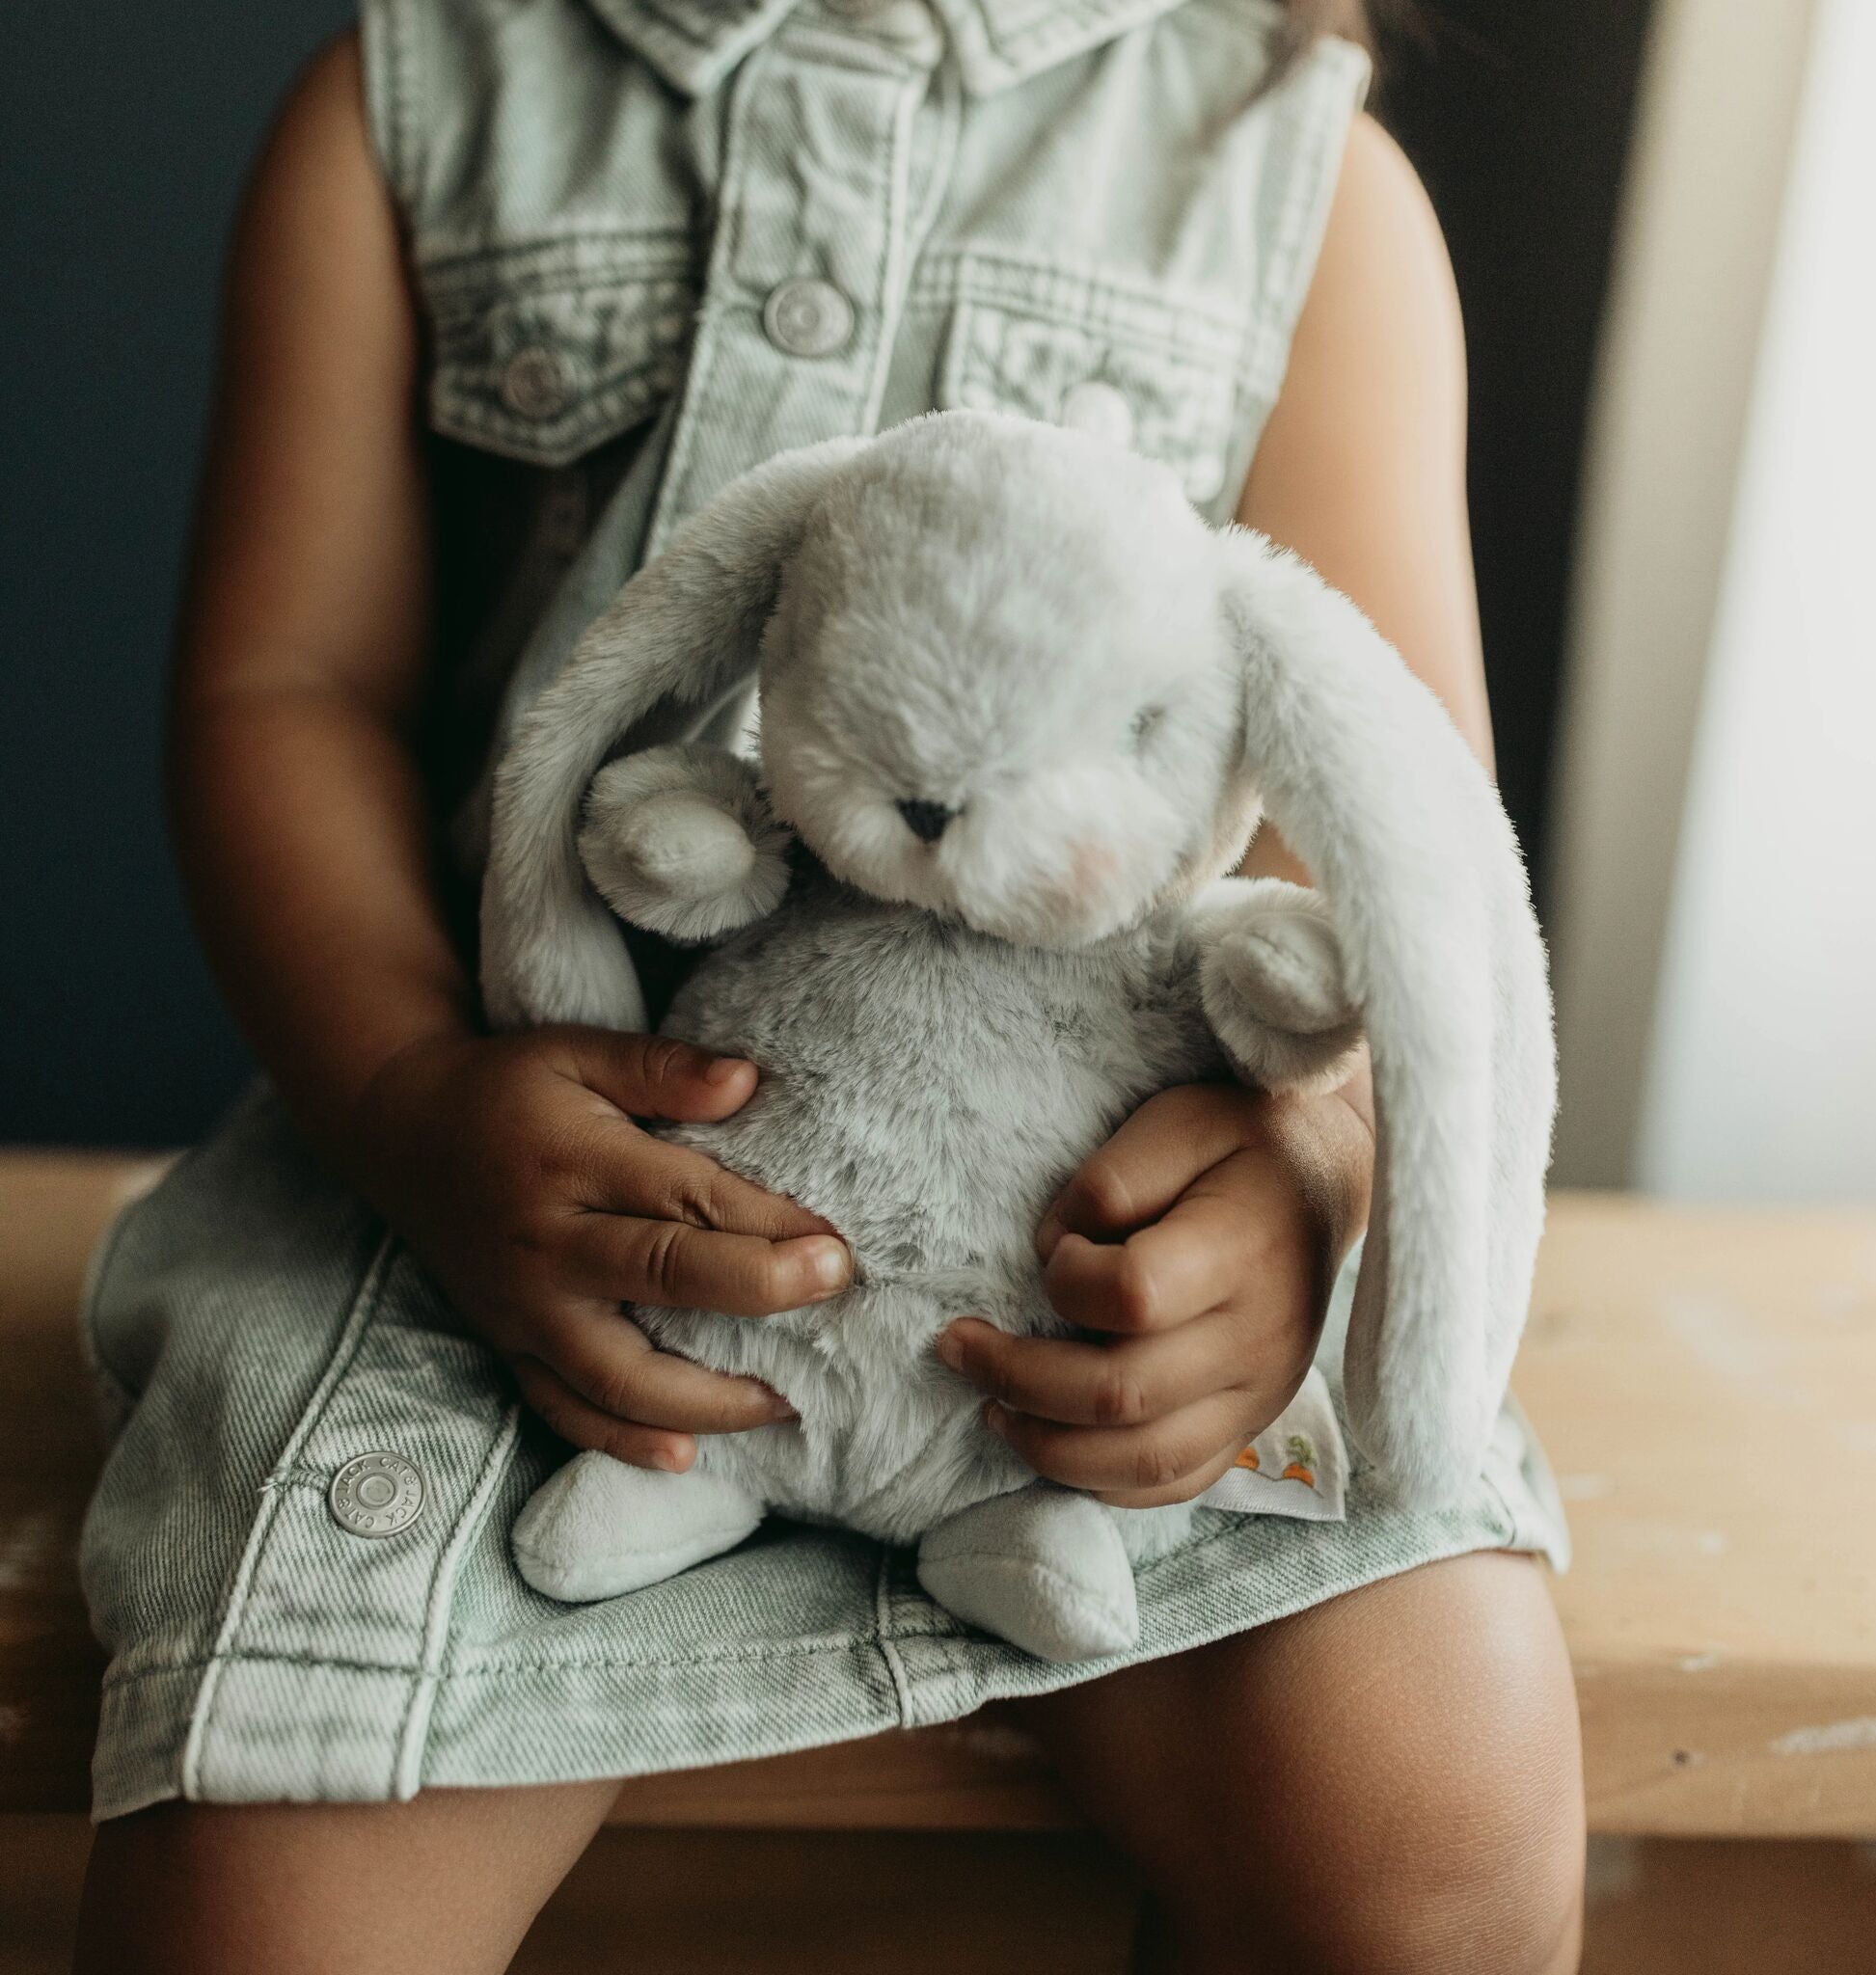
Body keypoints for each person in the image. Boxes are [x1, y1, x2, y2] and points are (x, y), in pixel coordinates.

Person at [72, 1, 1585, 1967]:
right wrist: (412, 1097)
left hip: (1082, 1281)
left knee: (1438, 1822)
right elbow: (289, 692)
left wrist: (1308, 1170)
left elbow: (1386, 818)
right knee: (268, 1903)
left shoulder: (1301, 182)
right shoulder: (410, 102)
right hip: (507, 1218)